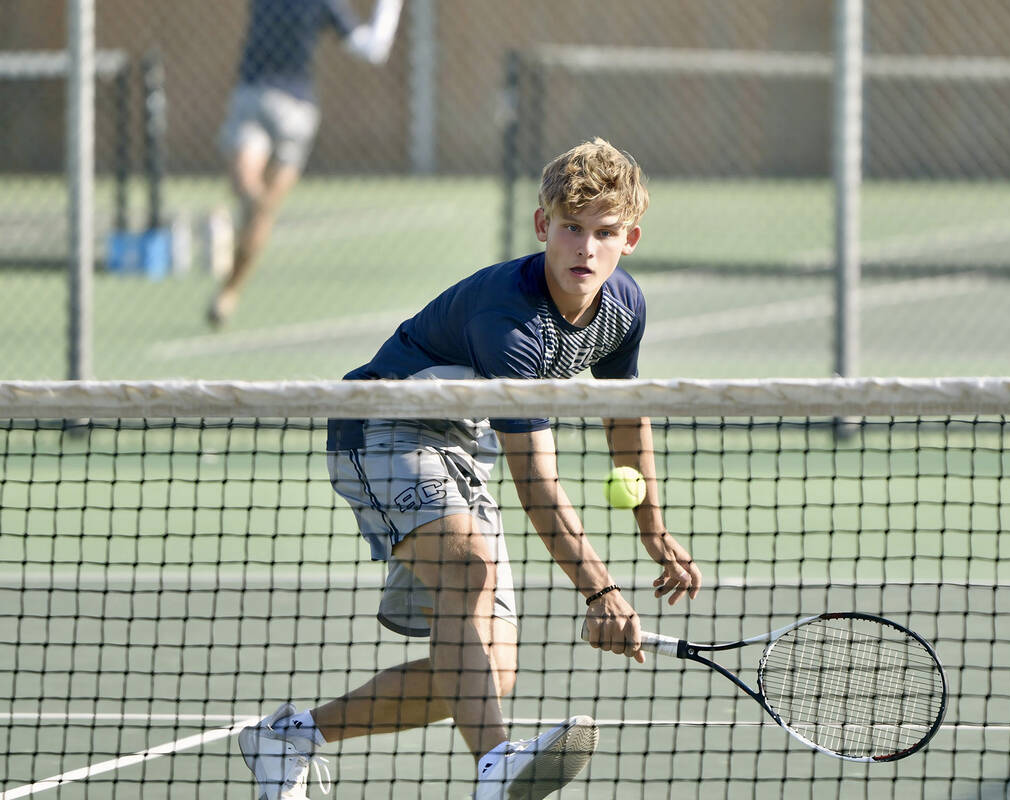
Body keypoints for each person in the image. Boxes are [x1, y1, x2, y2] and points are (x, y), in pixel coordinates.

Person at [237, 138, 703, 800]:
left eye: (603, 233)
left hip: (463, 443)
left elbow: (625, 417)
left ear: (629, 238)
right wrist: (600, 591)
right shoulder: (509, 320)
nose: (585, 248)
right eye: (571, 228)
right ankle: (495, 764)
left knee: (492, 671)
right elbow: (536, 481)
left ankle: (291, 736)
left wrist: (653, 532)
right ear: (544, 226)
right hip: (383, 425)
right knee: (468, 565)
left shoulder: (624, 307)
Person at [209, 0, 403, 328]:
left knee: (263, 210)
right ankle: (240, 230)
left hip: (295, 110)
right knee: (247, 187)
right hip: (253, 96)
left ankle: (228, 292)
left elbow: (372, 49)